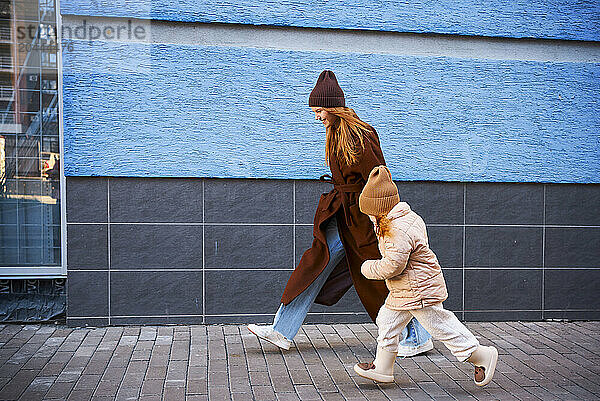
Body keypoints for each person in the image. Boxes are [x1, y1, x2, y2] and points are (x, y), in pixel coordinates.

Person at [247, 70, 432, 356]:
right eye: (315, 111)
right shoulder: (334, 133)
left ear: (334, 108)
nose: (317, 117)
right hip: (342, 213)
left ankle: (417, 337)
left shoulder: (361, 134)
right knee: (314, 264)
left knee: (387, 276)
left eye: (320, 110)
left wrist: (381, 219)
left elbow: (378, 176)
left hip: (367, 218)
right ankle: (282, 330)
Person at [353, 166, 498, 386]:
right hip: (404, 290)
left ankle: (479, 355)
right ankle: (383, 367)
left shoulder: (397, 230)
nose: (369, 217)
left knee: (440, 325)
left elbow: (393, 266)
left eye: (370, 212)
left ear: (380, 208)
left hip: (419, 289)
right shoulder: (402, 219)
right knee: (387, 321)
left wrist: (367, 268)